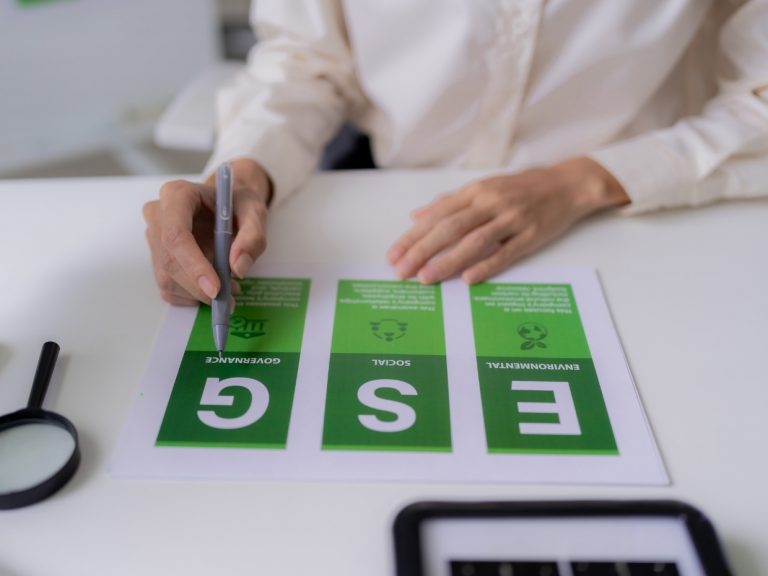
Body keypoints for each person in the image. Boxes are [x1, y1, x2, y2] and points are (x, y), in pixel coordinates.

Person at [143, 0, 768, 306]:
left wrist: (584, 181)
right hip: (387, 190)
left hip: (638, 213)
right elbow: (305, 63)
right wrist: (247, 170)